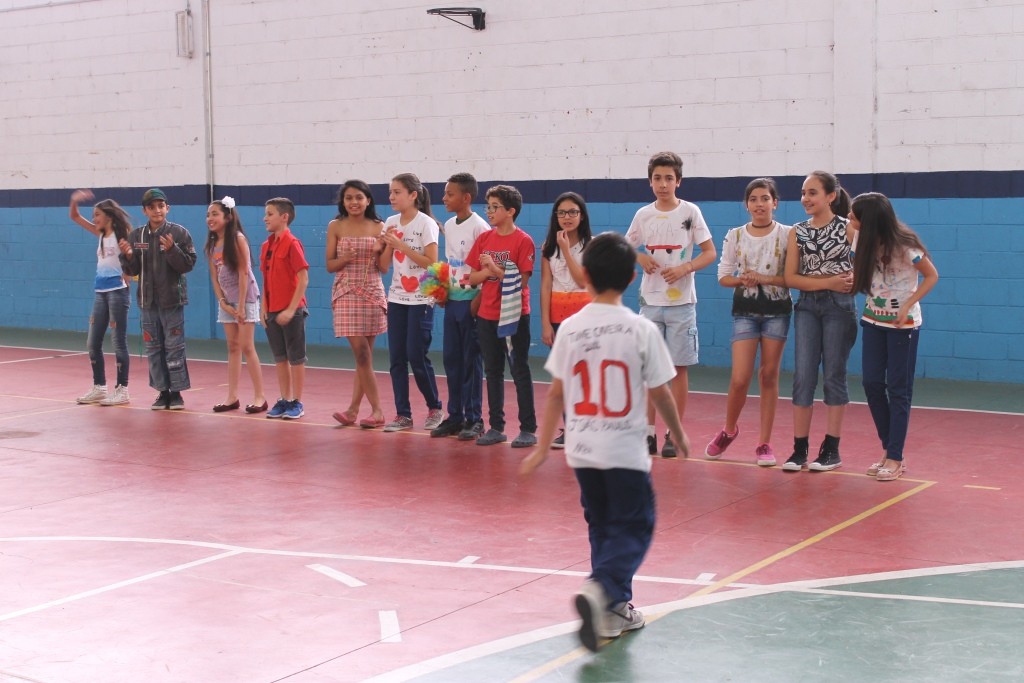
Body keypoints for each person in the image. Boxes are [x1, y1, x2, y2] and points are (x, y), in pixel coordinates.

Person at [520, 232, 690, 653]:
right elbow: (661, 392)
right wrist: (679, 433)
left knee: (602, 526)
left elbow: (557, 392)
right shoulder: (641, 328)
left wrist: (543, 447)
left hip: (582, 450)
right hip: (624, 452)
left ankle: (613, 610)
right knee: (635, 525)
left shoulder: (572, 328)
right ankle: (603, 589)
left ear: (586, 277)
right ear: (633, 278)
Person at [625, 151, 716, 458]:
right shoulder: (643, 215)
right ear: (650, 182)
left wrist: (684, 268)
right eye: (657, 178)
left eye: (668, 178)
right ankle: (647, 433)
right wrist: (638, 256)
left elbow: (709, 252)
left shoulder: (691, 212)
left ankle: (671, 433)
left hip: (681, 305)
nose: (663, 184)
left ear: (678, 181)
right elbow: (625, 246)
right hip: (650, 302)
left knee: (677, 369)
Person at [848, 192, 939, 481]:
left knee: (898, 389)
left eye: (855, 215)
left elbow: (931, 275)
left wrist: (908, 306)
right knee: (872, 383)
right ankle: (889, 449)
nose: (850, 219)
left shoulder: (904, 245)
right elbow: (844, 218)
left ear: (870, 219)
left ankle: (895, 457)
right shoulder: (862, 238)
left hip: (903, 326)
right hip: (873, 319)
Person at [705, 179, 792, 466]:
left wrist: (766, 279)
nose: (759, 204)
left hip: (777, 311)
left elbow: (791, 277)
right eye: (753, 199)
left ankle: (764, 444)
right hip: (745, 311)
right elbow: (723, 276)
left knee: (768, 375)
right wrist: (743, 279)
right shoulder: (735, 236)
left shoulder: (788, 235)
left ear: (774, 203)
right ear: (747, 205)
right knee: (740, 378)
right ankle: (729, 430)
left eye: (765, 198)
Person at [781, 171, 857, 472]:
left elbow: (864, 266)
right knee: (803, 376)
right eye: (803, 192)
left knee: (834, 375)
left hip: (840, 308)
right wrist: (829, 282)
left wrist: (852, 279)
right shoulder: (797, 232)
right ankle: (799, 449)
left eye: (812, 192)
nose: (805, 198)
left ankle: (831, 449)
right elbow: (791, 278)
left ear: (830, 196)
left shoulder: (849, 229)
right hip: (808, 308)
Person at [465, 184, 538, 448]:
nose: (490, 212)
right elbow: (472, 277)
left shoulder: (523, 241)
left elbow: (523, 282)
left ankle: (528, 428)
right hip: (487, 314)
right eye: (488, 207)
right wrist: (486, 274)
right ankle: (496, 426)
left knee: (519, 370)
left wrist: (494, 268)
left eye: (495, 207)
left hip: (513, 315)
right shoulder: (484, 239)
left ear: (511, 211)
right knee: (492, 370)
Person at [118, 188, 197, 410]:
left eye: (161, 206)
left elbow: (188, 264)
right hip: (147, 302)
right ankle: (162, 392)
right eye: (152, 207)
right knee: (153, 348)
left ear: (167, 208)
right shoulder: (136, 236)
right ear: (144, 211)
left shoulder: (179, 233)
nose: (157, 211)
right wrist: (128, 256)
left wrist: (172, 250)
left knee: (174, 347)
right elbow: (133, 269)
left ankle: (177, 393)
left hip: (172, 300)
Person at [377, 173, 444, 432]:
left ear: (413, 195)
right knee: (397, 357)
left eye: (397, 192)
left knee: (417, 354)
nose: (391, 197)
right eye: (390, 192)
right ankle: (403, 414)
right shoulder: (391, 222)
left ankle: (435, 406)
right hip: (396, 297)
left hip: (421, 298)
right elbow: (383, 267)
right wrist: (385, 245)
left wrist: (401, 245)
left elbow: (433, 264)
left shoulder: (425, 223)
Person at [431, 172, 490, 440]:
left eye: (449, 194)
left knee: (470, 361)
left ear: (466, 198)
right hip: (452, 301)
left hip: (471, 302)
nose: (444, 198)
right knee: (452, 361)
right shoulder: (450, 225)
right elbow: (449, 261)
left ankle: (474, 418)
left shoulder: (480, 227)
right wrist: (439, 290)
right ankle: (455, 416)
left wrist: (479, 299)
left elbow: (486, 269)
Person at [326, 180, 388, 429]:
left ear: (368, 200)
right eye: (349, 198)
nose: (354, 202)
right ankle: (378, 410)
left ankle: (353, 410)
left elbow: (383, 267)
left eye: (359, 197)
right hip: (345, 292)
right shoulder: (335, 226)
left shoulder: (380, 227)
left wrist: (378, 250)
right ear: (343, 201)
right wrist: (345, 258)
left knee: (365, 358)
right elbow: (330, 265)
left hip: (372, 292)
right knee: (362, 354)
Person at [69, 189, 133, 406]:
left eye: (97, 215)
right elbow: (75, 217)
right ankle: (100, 387)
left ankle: (122, 390)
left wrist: (126, 288)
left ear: (108, 216)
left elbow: (132, 266)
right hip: (100, 293)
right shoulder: (100, 235)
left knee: (118, 342)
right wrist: (74, 201)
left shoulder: (121, 236)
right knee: (93, 342)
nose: (94, 218)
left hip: (117, 293)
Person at [539, 191, 593, 448]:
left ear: (581, 216)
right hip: (558, 318)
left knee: (585, 375)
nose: (567, 217)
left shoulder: (591, 245)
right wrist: (545, 323)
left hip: (584, 318)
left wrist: (566, 250)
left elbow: (583, 280)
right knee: (563, 376)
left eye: (573, 212)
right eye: (562, 212)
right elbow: (546, 285)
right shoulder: (548, 247)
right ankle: (570, 429)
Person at [205, 196, 266, 413]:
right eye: (208, 215)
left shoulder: (238, 239)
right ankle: (232, 397)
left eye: (215, 214)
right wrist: (223, 302)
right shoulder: (213, 244)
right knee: (232, 347)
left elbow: (243, 272)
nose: (210, 218)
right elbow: (214, 277)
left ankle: (260, 397)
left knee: (247, 347)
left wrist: (240, 306)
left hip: (245, 298)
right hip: (227, 301)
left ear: (228, 217)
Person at [260, 197, 309, 420]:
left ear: (284, 217)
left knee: (296, 357)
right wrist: (263, 308)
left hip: (292, 311)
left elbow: (303, 278)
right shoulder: (266, 246)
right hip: (272, 311)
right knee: (280, 357)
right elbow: (265, 279)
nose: (265, 218)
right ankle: (284, 398)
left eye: (270, 214)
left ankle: (297, 402)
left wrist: (291, 309)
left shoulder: (292, 243)